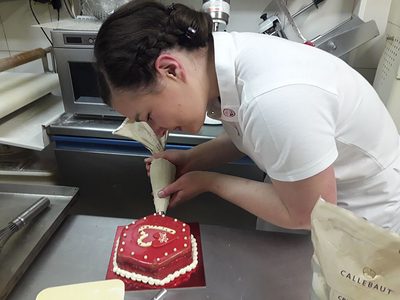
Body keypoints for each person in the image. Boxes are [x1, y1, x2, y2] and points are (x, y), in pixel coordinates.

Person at [94, 0, 400, 233]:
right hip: (314, 200)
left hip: (363, 223)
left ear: (171, 69)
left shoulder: (273, 97)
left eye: (148, 115)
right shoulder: (223, 63)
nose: (156, 130)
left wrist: (208, 182)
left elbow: (308, 213)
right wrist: (192, 160)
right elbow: (248, 132)